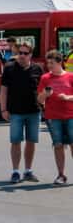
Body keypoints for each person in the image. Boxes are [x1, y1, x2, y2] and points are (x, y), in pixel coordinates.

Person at [0, 41, 42, 183]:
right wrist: (3, 109)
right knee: (16, 141)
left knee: (31, 141)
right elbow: (3, 91)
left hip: (33, 112)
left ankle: (28, 171)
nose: (22, 56)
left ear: (30, 55)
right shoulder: (9, 68)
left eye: (25, 53)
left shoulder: (38, 69)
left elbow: (42, 91)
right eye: (20, 53)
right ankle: (16, 171)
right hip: (15, 112)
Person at [38, 49, 73, 185]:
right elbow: (40, 100)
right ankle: (61, 175)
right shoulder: (45, 78)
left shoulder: (70, 77)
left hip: (71, 115)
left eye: (52, 63)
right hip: (53, 117)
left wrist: (68, 97)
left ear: (60, 62)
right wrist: (45, 95)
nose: (49, 66)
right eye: (48, 63)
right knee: (58, 145)